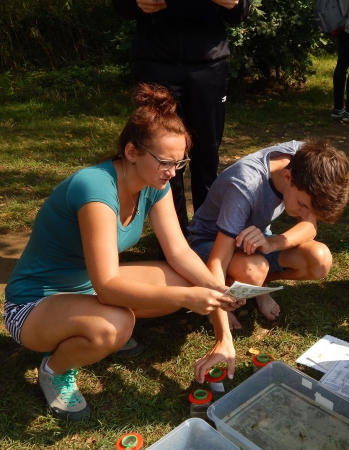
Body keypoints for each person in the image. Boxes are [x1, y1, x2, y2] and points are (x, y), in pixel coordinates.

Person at [3, 84, 242, 422]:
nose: (172, 173)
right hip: (33, 304)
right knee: (117, 325)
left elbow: (179, 253)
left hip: (85, 287)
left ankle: (91, 331)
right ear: (132, 151)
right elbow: (108, 286)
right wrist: (190, 296)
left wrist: (219, 303)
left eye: (180, 163)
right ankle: (54, 368)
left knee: (178, 279)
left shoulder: (154, 184)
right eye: (164, 162)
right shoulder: (96, 188)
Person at [113, 0, 252, 235]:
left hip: (208, 66)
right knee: (161, 158)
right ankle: (173, 237)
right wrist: (135, 4)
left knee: (206, 156)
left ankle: (206, 235)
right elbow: (121, 6)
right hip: (156, 63)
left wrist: (236, 4)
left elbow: (240, 13)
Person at [187, 140, 349, 330]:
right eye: (303, 205)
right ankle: (229, 293)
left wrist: (272, 243)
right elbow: (218, 260)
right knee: (253, 270)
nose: (304, 213)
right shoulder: (244, 184)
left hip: (255, 241)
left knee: (319, 259)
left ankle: (256, 288)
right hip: (210, 242)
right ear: (287, 177)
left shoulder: (307, 160)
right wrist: (219, 314)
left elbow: (309, 228)